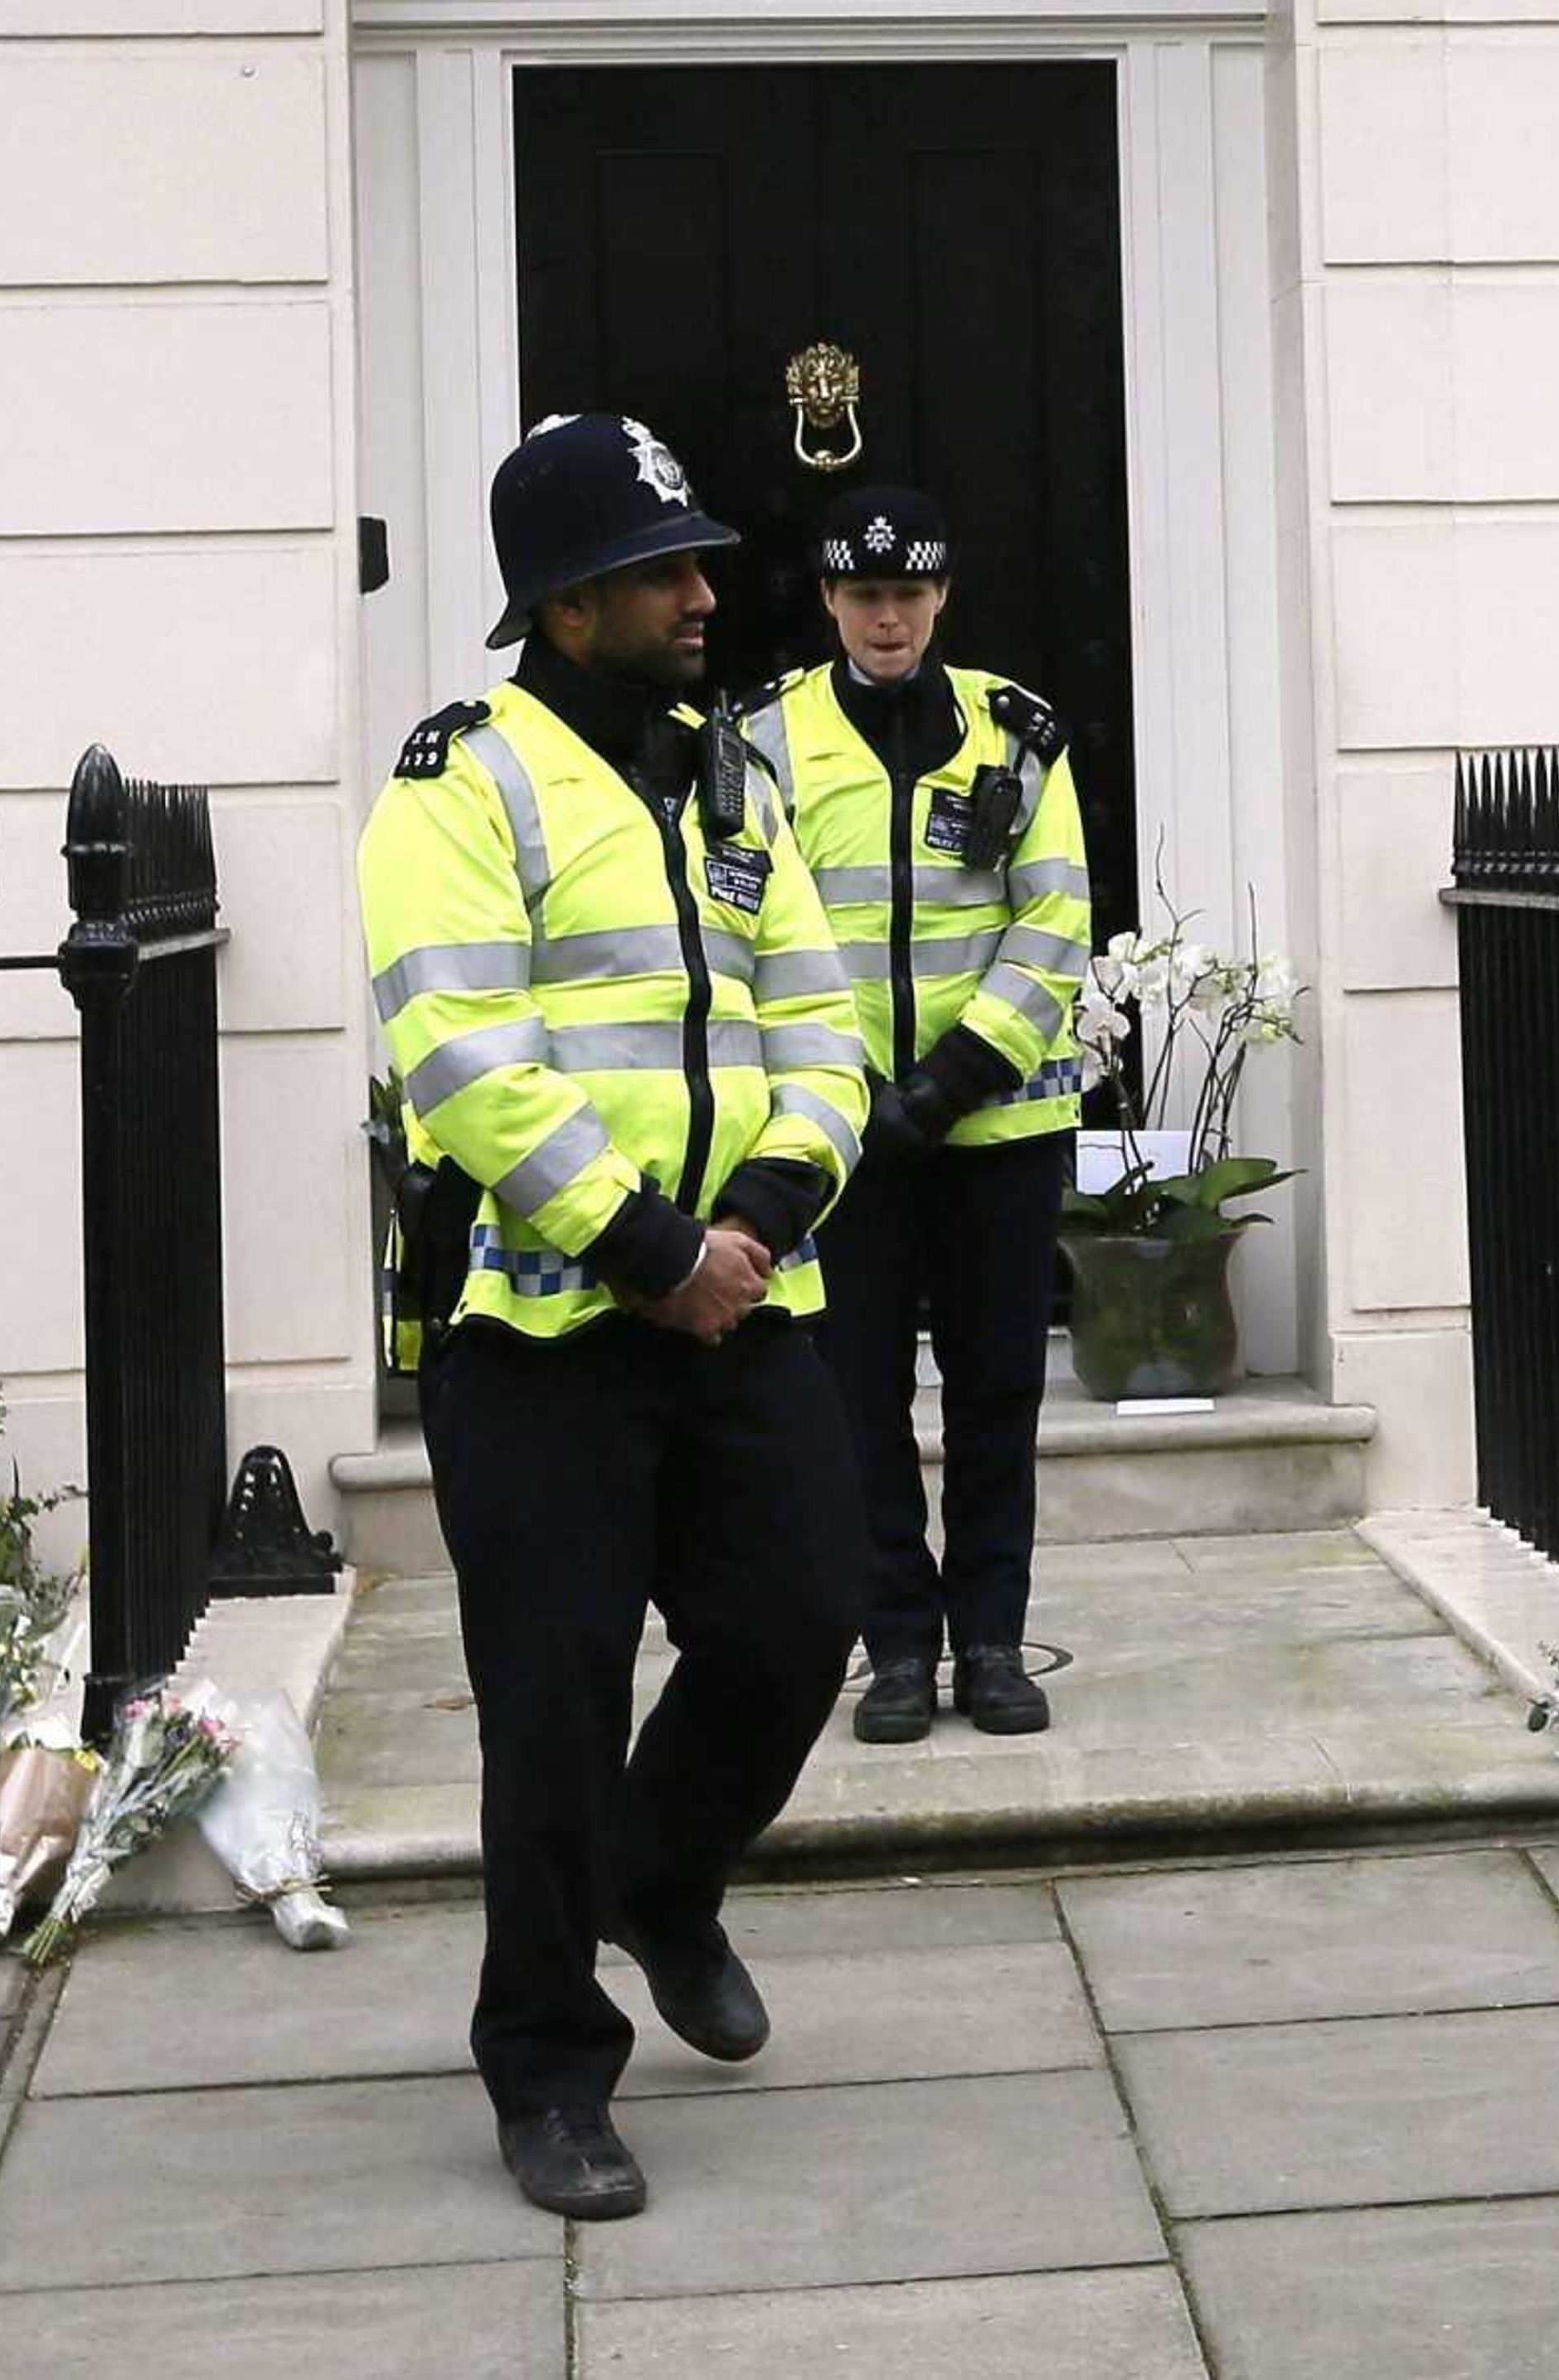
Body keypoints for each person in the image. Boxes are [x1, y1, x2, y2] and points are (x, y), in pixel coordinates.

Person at [357, 413, 873, 2222]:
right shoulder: (460, 780)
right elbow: (461, 1051)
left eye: (698, 561)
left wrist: (766, 1208)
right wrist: (648, 1242)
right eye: (665, 568)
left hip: (746, 1304)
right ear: (569, 605)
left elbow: (825, 1025)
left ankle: (663, 1880)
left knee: (809, 1619)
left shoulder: (729, 777)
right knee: (556, 1703)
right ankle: (550, 2069)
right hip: (548, 1332)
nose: (704, 591)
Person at [741, 484, 1091, 1743]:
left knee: (999, 1395)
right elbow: (751, 930)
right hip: (844, 1138)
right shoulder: (767, 739)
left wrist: (949, 1082)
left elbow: (1054, 922)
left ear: (942, 596)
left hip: (991, 1129)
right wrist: (847, 1091)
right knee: (857, 1404)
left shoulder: (1018, 733)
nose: (887, 618)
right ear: (831, 599)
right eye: (863, 594)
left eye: (908, 593)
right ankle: (895, 1647)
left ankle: (993, 1642)